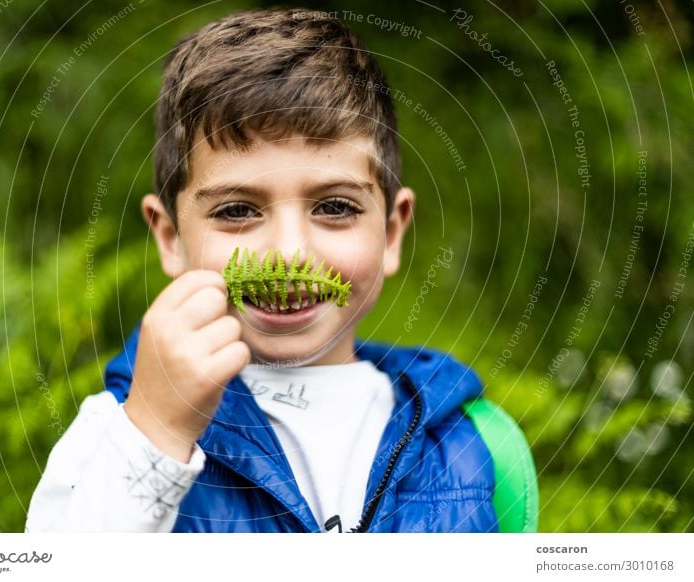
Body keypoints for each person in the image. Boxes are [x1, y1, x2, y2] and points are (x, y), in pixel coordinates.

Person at [26, 7, 537, 533]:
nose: (289, 254)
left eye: (335, 207)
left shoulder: (475, 447)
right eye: (237, 211)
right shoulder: (116, 433)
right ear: (171, 237)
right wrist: (156, 429)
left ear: (390, 232)